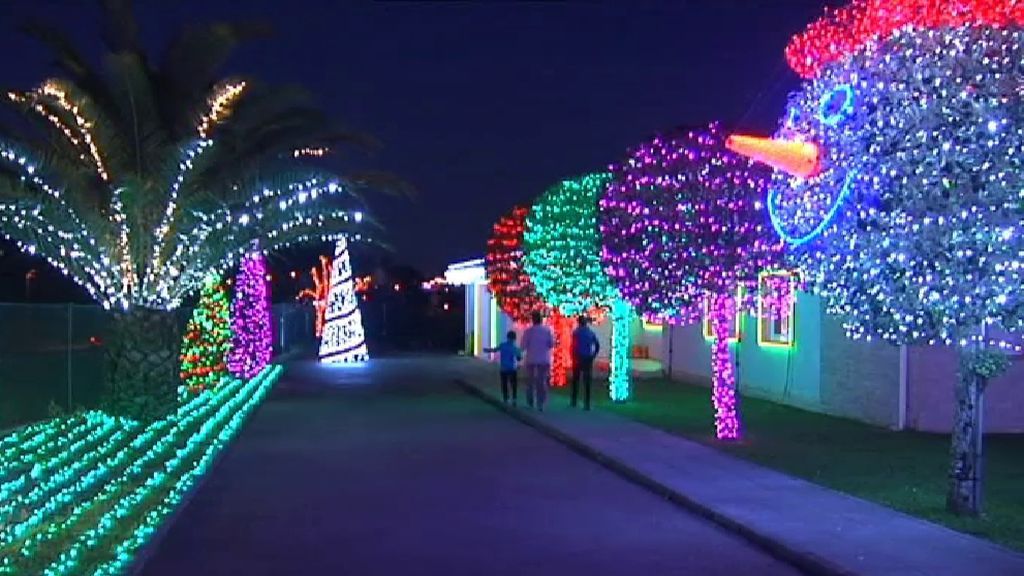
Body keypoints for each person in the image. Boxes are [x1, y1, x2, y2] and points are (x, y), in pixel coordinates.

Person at [520, 310, 555, 411]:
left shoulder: (528, 331)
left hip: (531, 360)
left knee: (530, 381)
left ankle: (530, 401)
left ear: (533, 320)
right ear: (541, 319)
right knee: (542, 381)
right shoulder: (547, 331)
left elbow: (523, 346)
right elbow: (551, 344)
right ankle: (541, 403)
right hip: (544, 360)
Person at [484, 331, 522, 405]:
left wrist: (487, 350)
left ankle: (506, 398)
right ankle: (514, 398)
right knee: (513, 384)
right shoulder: (515, 348)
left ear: (507, 337)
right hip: (512, 368)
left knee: (504, 383)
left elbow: (494, 350)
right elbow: (519, 358)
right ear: (514, 338)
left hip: (503, 368)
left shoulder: (503, 345)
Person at [571, 315, 600, 410]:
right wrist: (593, 355)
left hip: (578, 357)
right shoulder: (590, 333)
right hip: (587, 358)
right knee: (587, 381)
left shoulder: (576, 332)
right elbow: (597, 345)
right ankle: (586, 403)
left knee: (576, 379)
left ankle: (574, 400)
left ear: (579, 322)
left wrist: (573, 355)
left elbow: (574, 345)